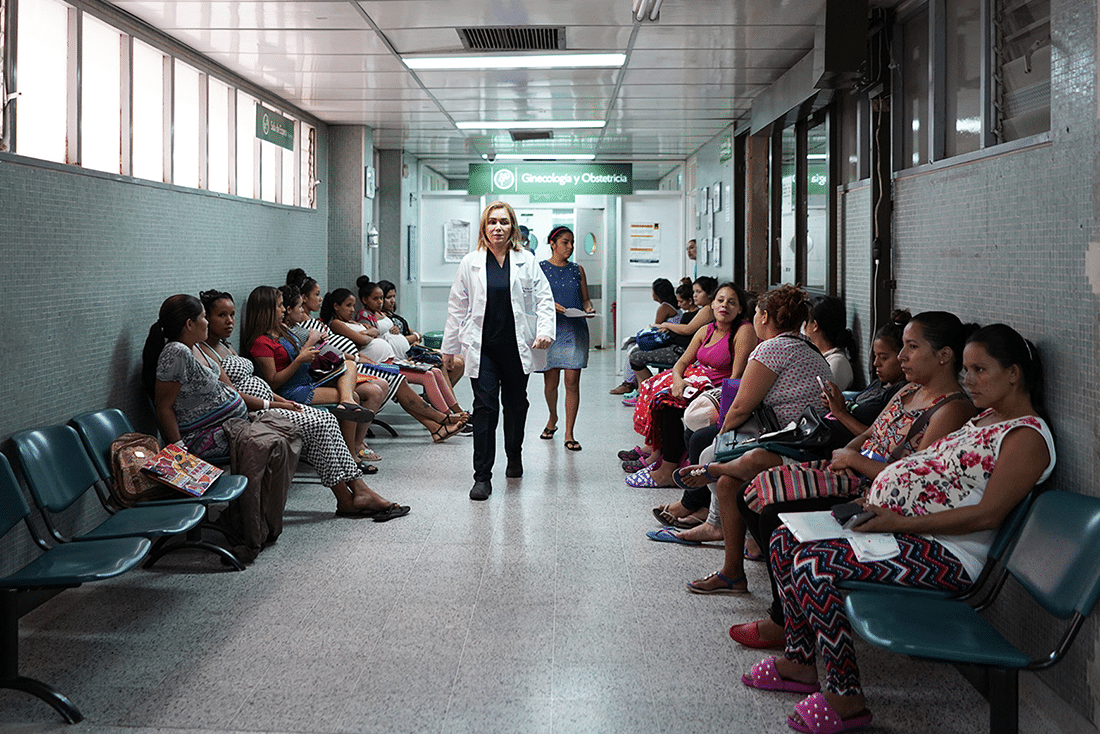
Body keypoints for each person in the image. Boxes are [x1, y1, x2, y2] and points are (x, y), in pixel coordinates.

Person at [743, 323, 1054, 733]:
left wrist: (899, 521)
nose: (969, 380)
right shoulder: (988, 419)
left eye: (980, 370)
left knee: (813, 565)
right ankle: (800, 661)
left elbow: (987, 516)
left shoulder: (1026, 437)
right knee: (785, 538)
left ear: (1013, 373)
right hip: (904, 531)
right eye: (966, 370)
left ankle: (845, 695)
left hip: (949, 555)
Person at [729, 311, 979, 648]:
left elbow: (913, 478)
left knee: (776, 514)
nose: (902, 356)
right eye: (902, 347)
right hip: (856, 473)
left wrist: (855, 462)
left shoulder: (952, 409)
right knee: (749, 493)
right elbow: (871, 435)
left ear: (944, 356)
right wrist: (845, 455)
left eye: (912, 347)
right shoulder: (907, 391)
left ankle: (784, 619)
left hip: (878, 495)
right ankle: (791, 608)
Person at [658, 284, 834, 593]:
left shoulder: (772, 349)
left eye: (754, 312)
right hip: (809, 438)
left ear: (764, 316)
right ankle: (732, 569)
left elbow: (739, 408)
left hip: (791, 442)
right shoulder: (808, 347)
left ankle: (721, 530)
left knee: (711, 452)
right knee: (725, 477)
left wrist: (725, 436)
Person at [195, 290, 408, 519]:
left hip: (274, 400)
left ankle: (357, 488)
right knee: (318, 425)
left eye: (232, 314)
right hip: (258, 409)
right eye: (220, 316)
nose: (229, 321)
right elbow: (234, 393)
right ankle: (349, 496)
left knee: (326, 418)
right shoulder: (206, 353)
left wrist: (280, 401)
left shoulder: (226, 346)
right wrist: (276, 402)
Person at [442, 200, 555, 501]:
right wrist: (449, 349)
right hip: (484, 349)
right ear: (484, 227)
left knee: (516, 406)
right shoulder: (470, 262)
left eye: (504, 222)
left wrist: (545, 331)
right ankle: (482, 477)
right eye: (492, 222)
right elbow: (457, 307)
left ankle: (514, 456)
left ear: (512, 227)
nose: (498, 228)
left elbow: (544, 299)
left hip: (518, 348)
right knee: (485, 408)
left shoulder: (526, 260)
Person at [623, 282, 756, 488]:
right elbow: (681, 363)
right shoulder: (706, 330)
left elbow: (737, 377)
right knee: (660, 392)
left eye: (732, 302)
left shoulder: (743, 331)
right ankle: (658, 454)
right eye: (720, 301)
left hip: (721, 391)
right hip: (700, 382)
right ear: (712, 305)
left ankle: (667, 469)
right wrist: (678, 381)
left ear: (739, 308)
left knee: (670, 404)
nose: (725, 306)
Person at [240, 286, 379, 460]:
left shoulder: (281, 331)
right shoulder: (261, 342)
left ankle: (346, 403)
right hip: (291, 390)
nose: (284, 309)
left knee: (349, 365)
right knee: (356, 397)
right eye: (280, 306)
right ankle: (351, 454)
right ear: (266, 310)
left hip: (306, 378)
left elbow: (299, 353)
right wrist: (300, 359)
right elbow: (274, 382)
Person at [538, 225, 595, 451]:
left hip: (575, 329)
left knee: (572, 382)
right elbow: (532, 298)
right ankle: (553, 418)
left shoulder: (577, 270)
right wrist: (550, 305)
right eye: (565, 242)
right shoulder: (540, 269)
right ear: (552, 243)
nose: (570, 247)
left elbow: (586, 300)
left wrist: (589, 309)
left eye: (572, 243)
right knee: (550, 383)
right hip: (551, 330)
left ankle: (569, 433)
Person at [626, 276, 718, 396]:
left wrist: (667, 325)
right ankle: (644, 390)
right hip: (680, 346)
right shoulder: (701, 309)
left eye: (699, 292)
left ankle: (646, 392)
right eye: (694, 292)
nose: (695, 295)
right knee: (635, 352)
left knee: (636, 357)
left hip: (683, 351)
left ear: (710, 294)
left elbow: (688, 329)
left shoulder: (708, 310)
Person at [379, 279, 466, 387]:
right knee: (454, 363)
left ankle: (438, 396)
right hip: (407, 356)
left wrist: (415, 336)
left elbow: (412, 333)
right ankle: (444, 398)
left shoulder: (393, 316)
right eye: (388, 297)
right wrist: (415, 336)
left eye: (393, 296)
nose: (392, 300)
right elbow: (397, 340)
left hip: (415, 349)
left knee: (460, 359)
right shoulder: (383, 321)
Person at [610, 277, 678, 395]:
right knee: (634, 344)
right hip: (670, 339)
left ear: (658, 293)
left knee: (632, 347)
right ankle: (632, 383)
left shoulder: (664, 308)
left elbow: (655, 329)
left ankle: (629, 383)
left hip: (667, 341)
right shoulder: (675, 306)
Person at [804, 295, 857, 390]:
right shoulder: (814, 354)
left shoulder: (837, 363)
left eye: (806, 321)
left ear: (815, 325)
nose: (803, 326)